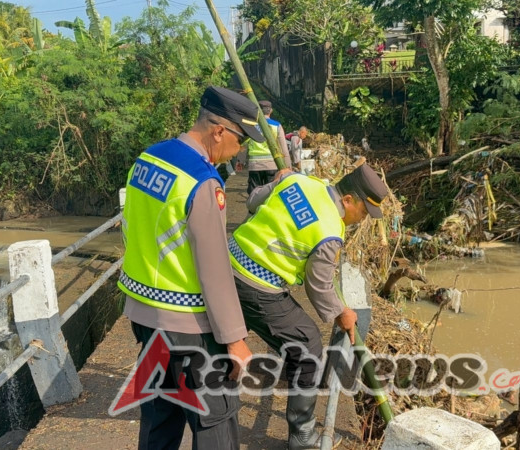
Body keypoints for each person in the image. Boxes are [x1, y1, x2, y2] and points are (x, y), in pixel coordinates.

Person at [118, 86, 264, 450]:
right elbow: (214, 270)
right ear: (219, 131)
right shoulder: (202, 182)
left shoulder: (148, 158)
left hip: (145, 316)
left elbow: (131, 227)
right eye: (241, 140)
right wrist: (235, 340)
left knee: (160, 416)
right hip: (188, 327)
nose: (240, 149)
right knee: (214, 419)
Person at [227, 164, 389, 449]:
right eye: (363, 212)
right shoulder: (329, 231)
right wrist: (341, 312)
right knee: (307, 347)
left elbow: (252, 202)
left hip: (228, 264)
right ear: (348, 200)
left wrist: (278, 182)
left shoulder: (300, 181)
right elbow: (319, 285)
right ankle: (302, 434)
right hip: (256, 285)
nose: (362, 219)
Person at [236, 99, 291, 194]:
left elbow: (244, 145)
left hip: (255, 165)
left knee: (254, 193)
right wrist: (288, 165)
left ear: (258, 111)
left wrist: (240, 161)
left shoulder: (251, 126)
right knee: (270, 193)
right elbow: (283, 148)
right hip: (272, 164)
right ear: (271, 111)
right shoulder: (277, 125)